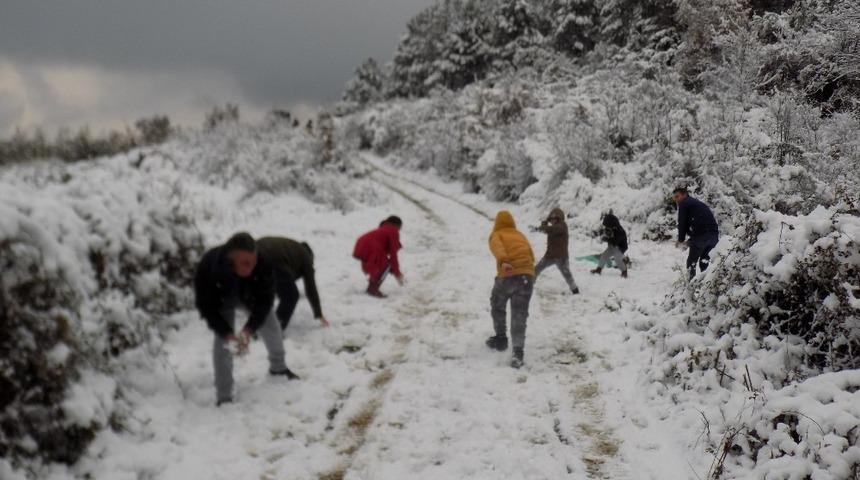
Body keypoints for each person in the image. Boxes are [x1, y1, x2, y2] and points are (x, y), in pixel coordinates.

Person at [194, 232, 298, 406]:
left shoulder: (263, 262)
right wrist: (226, 332)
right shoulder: (210, 265)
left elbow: (265, 302)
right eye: (245, 263)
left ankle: (278, 368)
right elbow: (206, 307)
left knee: (272, 324)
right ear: (230, 260)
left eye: (253, 262)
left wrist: (249, 330)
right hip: (221, 300)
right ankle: (224, 395)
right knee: (223, 342)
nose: (252, 267)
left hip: (250, 296)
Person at [486, 210, 536, 369]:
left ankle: (501, 338)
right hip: (527, 276)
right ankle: (518, 352)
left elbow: (498, 248)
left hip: (508, 273)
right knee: (519, 314)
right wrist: (526, 272)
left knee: (497, 304)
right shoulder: (520, 235)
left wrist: (504, 261)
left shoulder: (497, 234)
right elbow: (531, 255)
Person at [256, 236, 329, 330]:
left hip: (254, 249)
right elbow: (311, 287)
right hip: (274, 258)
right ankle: (271, 330)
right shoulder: (306, 257)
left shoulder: (292, 248)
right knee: (291, 296)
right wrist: (318, 313)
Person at [672, 187, 719, 280]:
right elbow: (699, 222)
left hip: (702, 236)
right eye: (674, 198)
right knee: (704, 262)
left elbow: (682, 223)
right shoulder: (695, 203)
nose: (676, 200)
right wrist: (690, 241)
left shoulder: (684, 204)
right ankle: (706, 284)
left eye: (677, 196)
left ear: (684, 194)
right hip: (713, 236)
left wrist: (681, 240)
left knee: (691, 263)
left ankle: (691, 285)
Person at [353, 216, 405, 298]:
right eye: (400, 227)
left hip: (361, 244)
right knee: (386, 265)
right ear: (397, 225)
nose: (399, 230)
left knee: (380, 266)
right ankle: (373, 289)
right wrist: (397, 273)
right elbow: (393, 254)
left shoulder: (384, 229)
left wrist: (394, 270)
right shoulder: (393, 230)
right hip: (372, 247)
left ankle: (372, 287)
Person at [534, 208, 579, 294]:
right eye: (551, 219)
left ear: (559, 218)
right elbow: (548, 230)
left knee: (566, 274)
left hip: (561, 256)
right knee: (537, 269)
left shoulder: (562, 226)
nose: (552, 220)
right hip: (550, 255)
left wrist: (542, 227)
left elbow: (553, 229)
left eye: (554, 219)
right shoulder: (553, 227)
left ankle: (575, 290)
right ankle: (529, 284)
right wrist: (543, 225)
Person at [590, 212, 629, 278]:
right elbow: (604, 232)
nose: (606, 227)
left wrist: (607, 239)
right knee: (604, 256)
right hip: (612, 246)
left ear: (611, 224)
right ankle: (598, 269)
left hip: (620, 247)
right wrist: (598, 234)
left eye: (607, 225)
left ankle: (624, 271)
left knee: (617, 259)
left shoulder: (620, 231)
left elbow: (615, 242)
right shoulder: (610, 228)